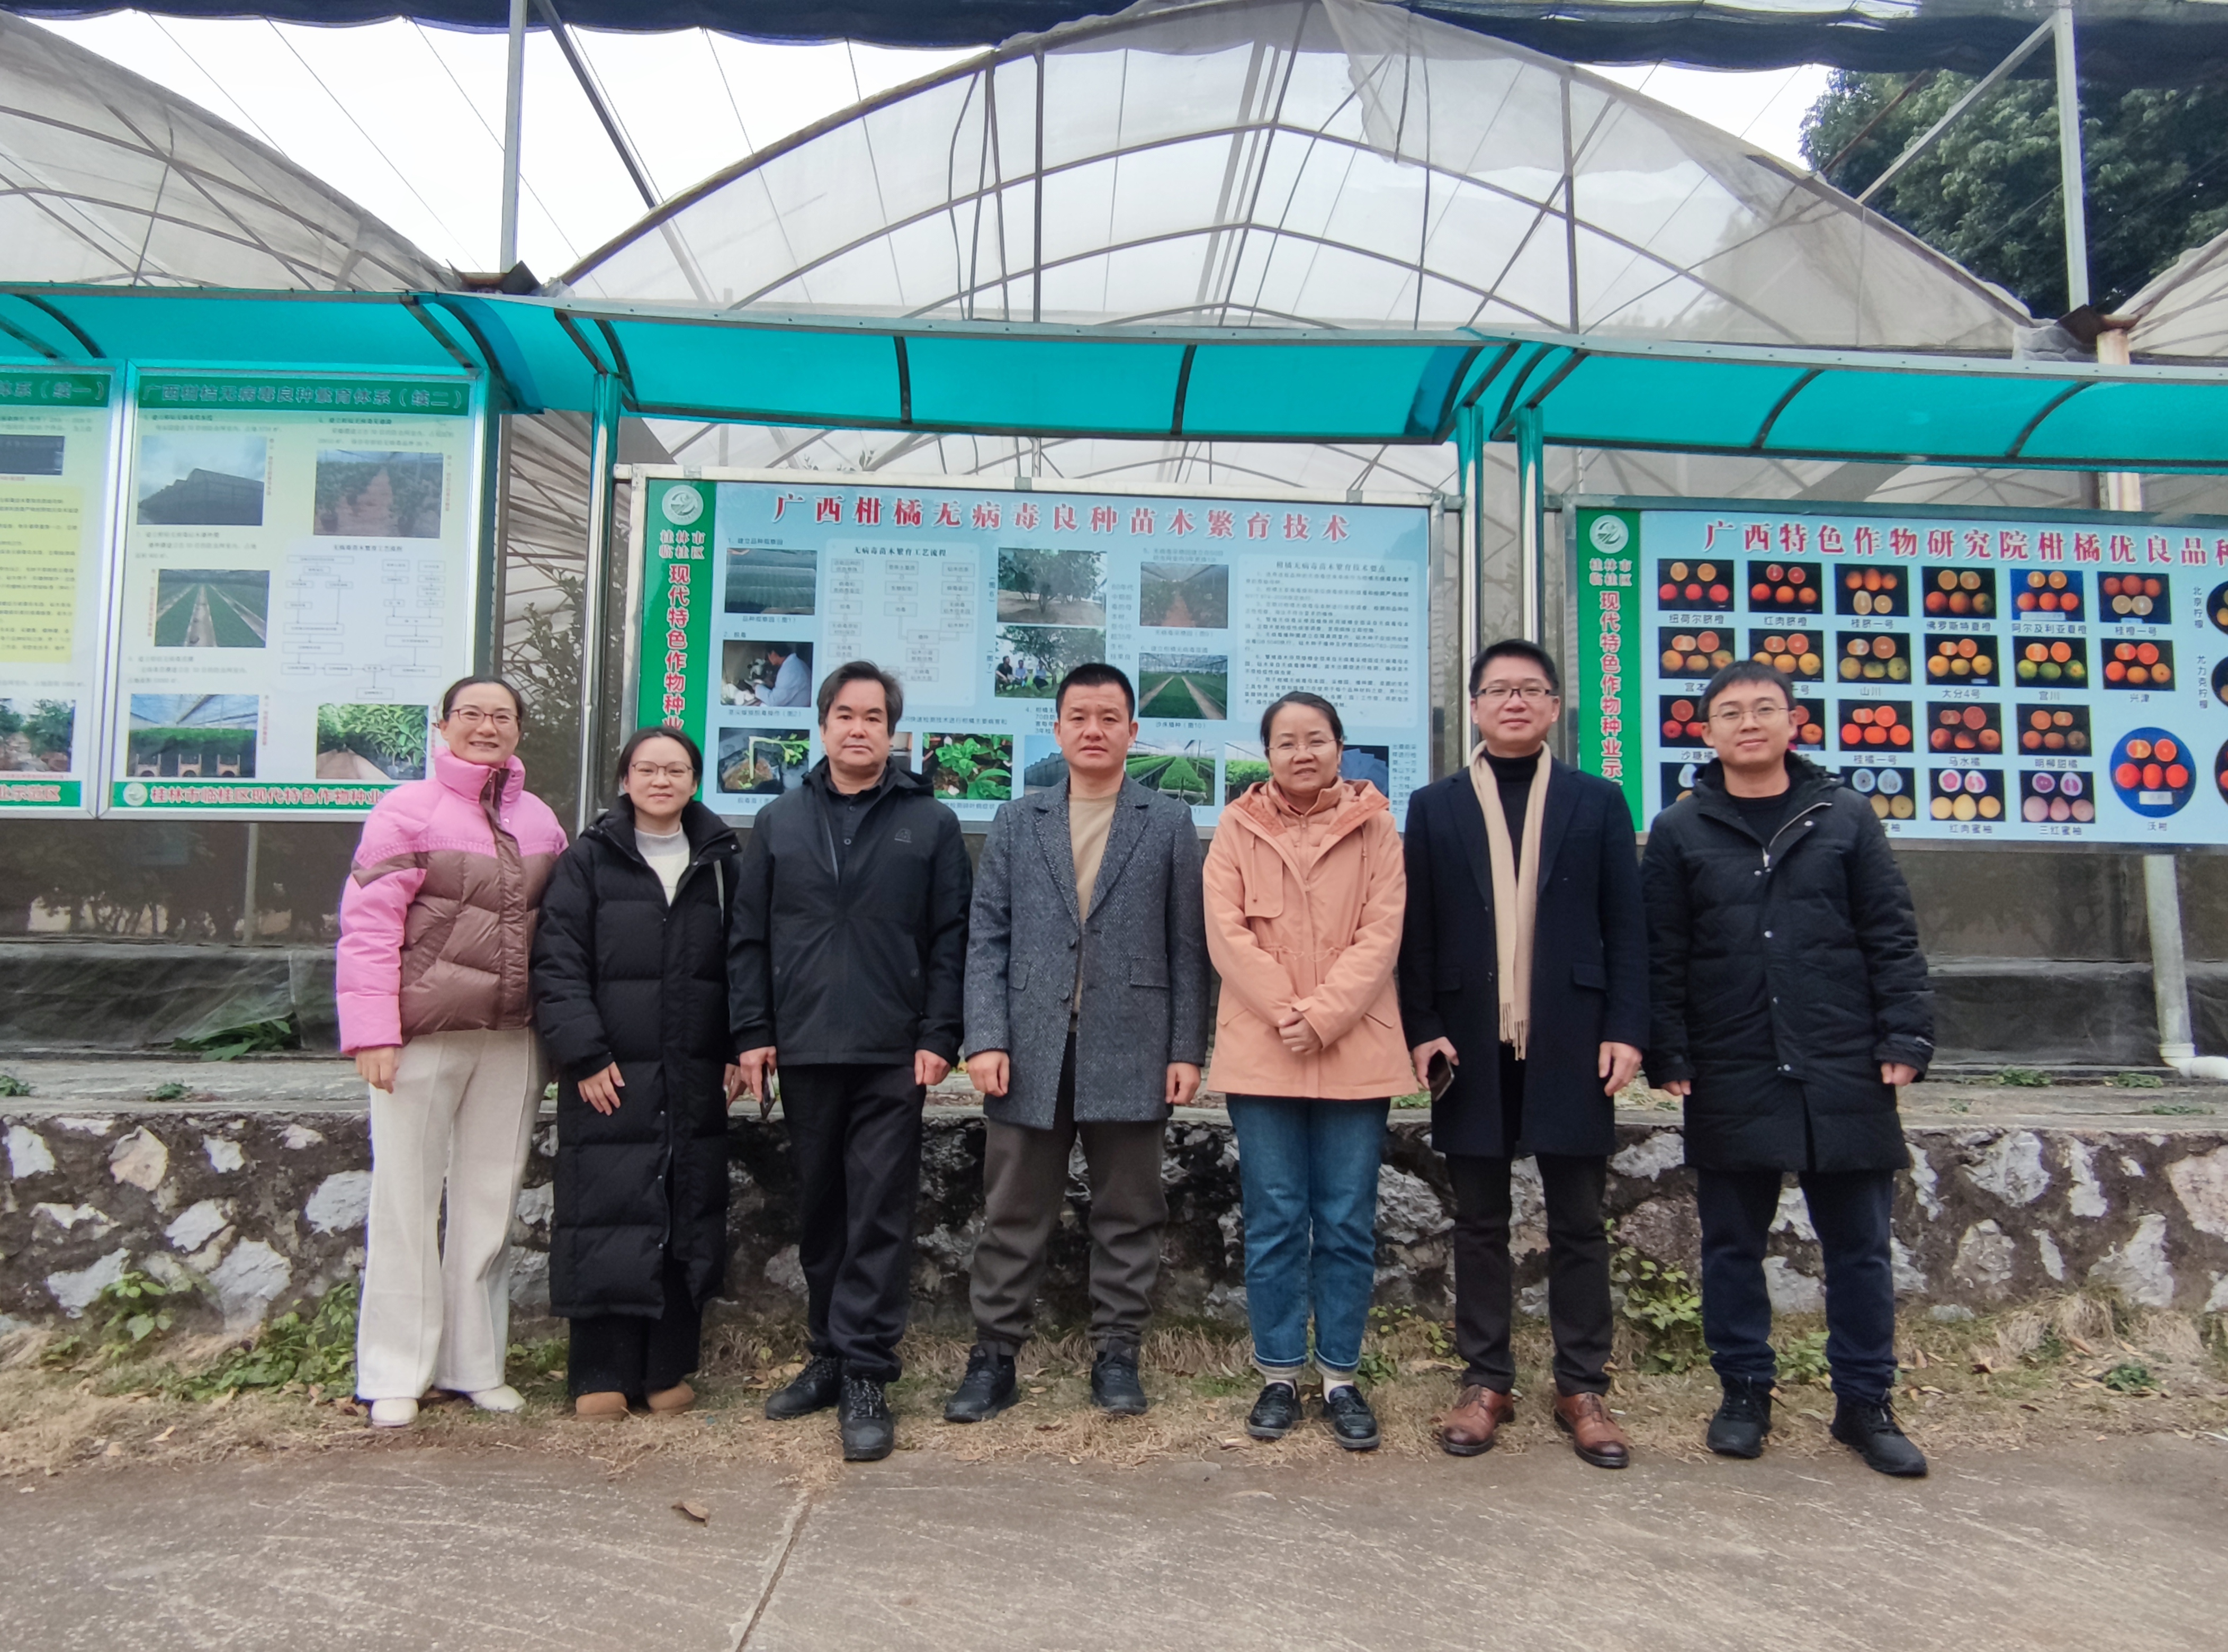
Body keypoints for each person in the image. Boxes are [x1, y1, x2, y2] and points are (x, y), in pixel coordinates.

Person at [1641, 659, 1934, 1478]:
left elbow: (1891, 933)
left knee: (1860, 1248)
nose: (1749, 723)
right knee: (1731, 1245)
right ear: (1706, 733)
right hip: (1731, 1061)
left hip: (1845, 1059)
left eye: (1764, 708)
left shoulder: (1844, 816)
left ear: (1793, 722)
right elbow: (1662, 954)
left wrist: (1905, 1038)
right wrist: (1670, 1050)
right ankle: (1743, 1393)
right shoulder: (1681, 830)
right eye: (1730, 712)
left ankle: (1865, 1403)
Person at [1398, 640, 1647, 1468]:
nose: (1515, 702)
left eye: (1531, 690)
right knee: (1479, 1220)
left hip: (1572, 1034)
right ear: (1474, 706)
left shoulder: (1596, 801)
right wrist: (1422, 1025)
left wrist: (1626, 1029)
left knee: (1578, 1219)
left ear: (1553, 707)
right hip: (1468, 1038)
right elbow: (1418, 930)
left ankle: (1582, 1385)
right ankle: (1486, 1381)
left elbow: (1627, 925)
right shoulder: (1435, 807)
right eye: (1499, 690)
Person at [947, 663, 1208, 1422]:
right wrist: (985, 1038)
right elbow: (987, 938)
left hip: (1132, 1043)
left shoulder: (1167, 822)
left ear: (1132, 731)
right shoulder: (1017, 819)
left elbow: (1187, 947)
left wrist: (1185, 1050)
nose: (1094, 731)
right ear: (1057, 729)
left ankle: (1117, 1352)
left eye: (1109, 718)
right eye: (1079, 718)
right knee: (1013, 1211)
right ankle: (995, 1355)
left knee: (1129, 1210)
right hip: (1029, 1046)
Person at [730, 660, 971, 1461]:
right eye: (845, 715)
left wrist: (939, 1036)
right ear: (823, 724)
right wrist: (752, 1031)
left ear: (893, 732)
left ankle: (867, 1371)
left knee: (878, 1212)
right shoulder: (780, 821)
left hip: (892, 1051)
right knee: (821, 1210)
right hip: (803, 1046)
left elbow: (950, 940)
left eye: (874, 717)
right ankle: (828, 1356)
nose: (859, 728)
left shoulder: (929, 824)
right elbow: (749, 937)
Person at [336, 676, 568, 1429]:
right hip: (423, 1036)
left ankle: (476, 1365)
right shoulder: (404, 811)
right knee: (405, 1199)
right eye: (470, 714)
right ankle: (394, 1370)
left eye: (501, 716)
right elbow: (370, 926)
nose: (486, 727)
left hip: (512, 1038)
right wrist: (372, 1031)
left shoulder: (540, 821)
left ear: (519, 731)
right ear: (442, 726)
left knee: (488, 1203)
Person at [1205, 692, 1410, 1450]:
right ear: (1267, 754)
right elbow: (1225, 933)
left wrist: (1324, 1014)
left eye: (1316, 739)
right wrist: (1288, 1009)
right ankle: (1279, 1375)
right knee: (1274, 1218)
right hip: (1265, 1050)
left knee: (1348, 1220)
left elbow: (1382, 931)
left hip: (1353, 1047)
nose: (1302, 753)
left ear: (1339, 748)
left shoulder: (1376, 825)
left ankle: (1341, 1378)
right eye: (1286, 741)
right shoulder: (1237, 826)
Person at [530, 727, 740, 1418]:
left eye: (675, 770)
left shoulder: (720, 862)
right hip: (610, 1071)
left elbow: (743, 961)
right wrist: (584, 1055)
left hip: (693, 1070)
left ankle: (665, 1367)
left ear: (694, 782)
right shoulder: (588, 860)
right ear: (625, 780)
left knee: (685, 1207)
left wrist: (738, 1045)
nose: (661, 780)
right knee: (605, 1207)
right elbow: (557, 963)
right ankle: (600, 1371)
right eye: (647, 769)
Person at [762, 643, 811, 707]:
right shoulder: (793, 664)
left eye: (768, 655)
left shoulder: (791, 669)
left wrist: (758, 688)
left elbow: (774, 701)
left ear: (773, 654)